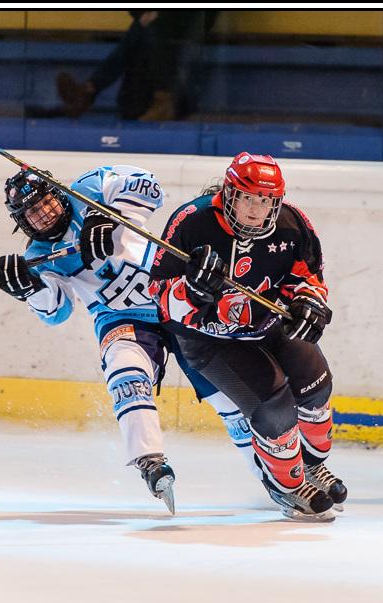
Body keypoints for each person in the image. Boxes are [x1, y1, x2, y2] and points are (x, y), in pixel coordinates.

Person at [0, 164, 260, 514]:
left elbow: (150, 187)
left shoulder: (90, 189)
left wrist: (105, 216)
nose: (43, 214)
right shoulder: (38, 258)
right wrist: (28, 289)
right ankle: (149, 459)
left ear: (57, 193)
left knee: (228, 398)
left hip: (173, 296)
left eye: (45, 203)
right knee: (125, 371)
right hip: (120, 317)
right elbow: (56, 312)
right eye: (32, 213)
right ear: (22, 223)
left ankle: (275, 474)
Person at [147, 153, 348, 522]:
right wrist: (191, 292)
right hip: (209, 339)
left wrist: (308, 303)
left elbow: (310, 278)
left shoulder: (293, 224)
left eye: (266, 201)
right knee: (274, 405)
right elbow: (158, 293)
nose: (257, 210)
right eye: (248, 199)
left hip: (270, 324)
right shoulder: (192, 223)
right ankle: (287, 484)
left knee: (316, 384)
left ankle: (311, 464)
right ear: (230, 193)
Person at [55, 10, 217, 121]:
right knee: (143, 31)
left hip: (191, 18)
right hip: (156, 25)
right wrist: (145, 14)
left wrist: (160, 14)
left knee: (142, 31)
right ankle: (163, 100)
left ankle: (89, 90)